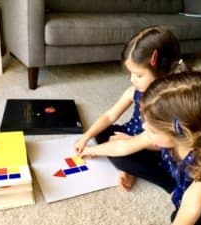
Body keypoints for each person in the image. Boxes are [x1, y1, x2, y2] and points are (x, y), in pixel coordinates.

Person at [82, 71, 201, 225]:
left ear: (180, 133)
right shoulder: (175, 129)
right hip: (179, 171)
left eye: (152, 129)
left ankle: (174, 188)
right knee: (110, 139)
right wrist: (91, 150)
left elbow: (192, 205)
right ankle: (172, 186)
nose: (143, 127)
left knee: (185, 217)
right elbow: (124, 147)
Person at [74, 26, 188, 191]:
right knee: (101, 133)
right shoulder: (135, 90)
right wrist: (86, 136)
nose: (132, 80)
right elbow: (109, 116)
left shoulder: (169, 103)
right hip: (133, 135)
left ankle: (167, 183)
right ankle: (128, 168)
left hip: (156, 147)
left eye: (139, 75)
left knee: (119, 153)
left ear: (162, 70)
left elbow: (163, 143)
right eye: (131, 74)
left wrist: (95, 150)